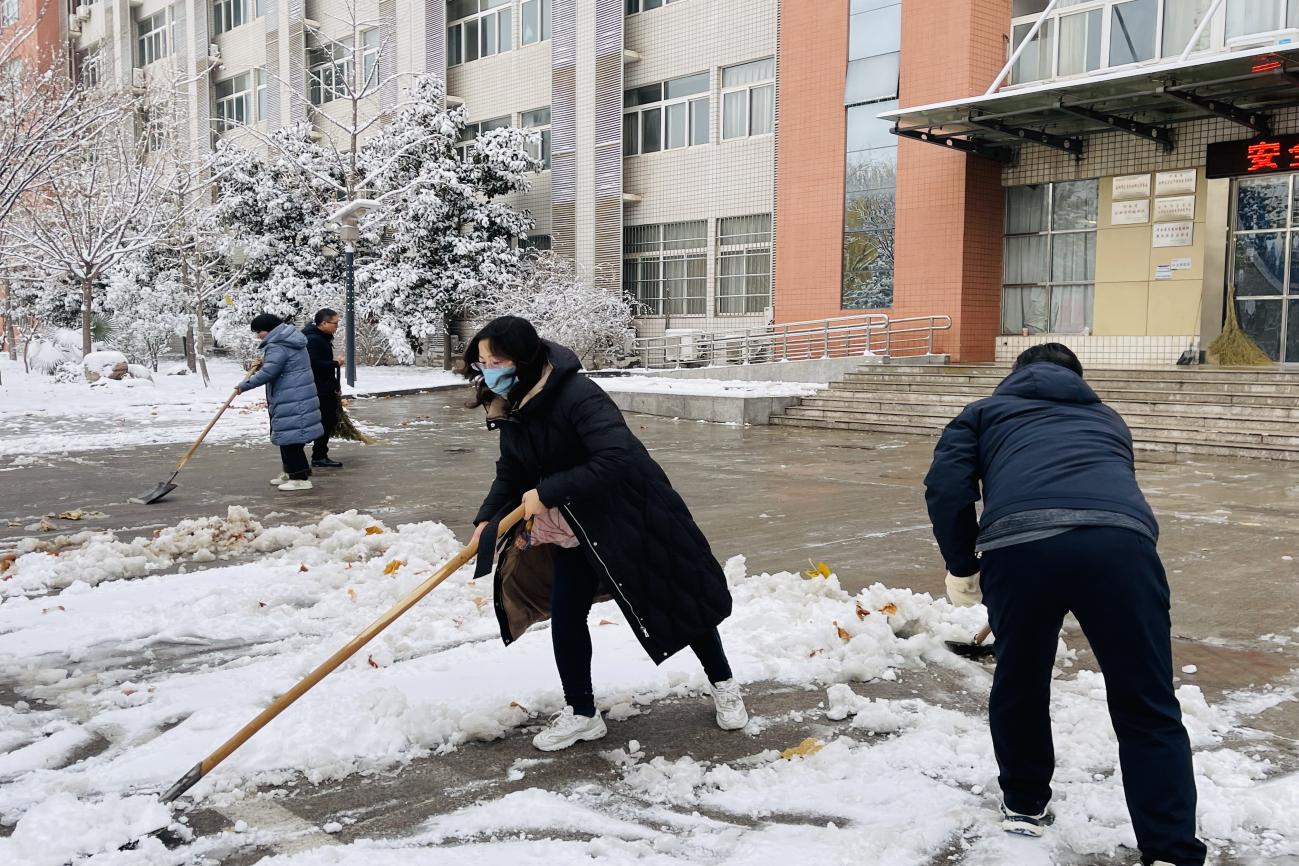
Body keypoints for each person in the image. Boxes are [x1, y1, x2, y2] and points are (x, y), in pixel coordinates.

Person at [923, 343, 1206, 866]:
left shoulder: (982, 413)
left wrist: (963, 565)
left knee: (1021, 682)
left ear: (1015, 375)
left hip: (1020, 548)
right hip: (1121, 548)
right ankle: (1169, 850)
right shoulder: (1107, 418)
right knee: (1147, 702)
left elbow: (946, 488)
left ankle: (1025, 805)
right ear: (1077, 378)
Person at [466, 316, 748, 752]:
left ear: (523, 359)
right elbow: (512, 471)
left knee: (677, 600)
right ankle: (581, 712)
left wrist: (550, 490)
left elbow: (617, 457)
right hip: (574, 528)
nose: (488, 370)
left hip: (631, 516)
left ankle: (723, 683)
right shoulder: (514, 405)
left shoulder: (578, 395)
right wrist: (488, 518)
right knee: (567, 614)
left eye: (496, 360)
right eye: (482, 362)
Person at [235, 314, 324, 492]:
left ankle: (299, 478)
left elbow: (269, 373)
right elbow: (280, 366)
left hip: (291, 396)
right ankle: (291, 471)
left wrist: (244, 386)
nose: (258, 336)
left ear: (267, 330)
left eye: (258, 332)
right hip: (294, 394)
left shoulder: (277, 345)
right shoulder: (289, 339)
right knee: (288, 436)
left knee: (290, 438)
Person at [303, 308, 344, 469]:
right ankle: (319, 456)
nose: (337, 326)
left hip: (324, 386)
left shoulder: (321, 337)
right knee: (325, 421)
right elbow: (313, 364)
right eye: (335, 323)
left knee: (327, 421)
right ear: (323, 323)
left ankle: (320, 454)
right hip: (319, 388)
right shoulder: (313, 339)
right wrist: (335, 364)